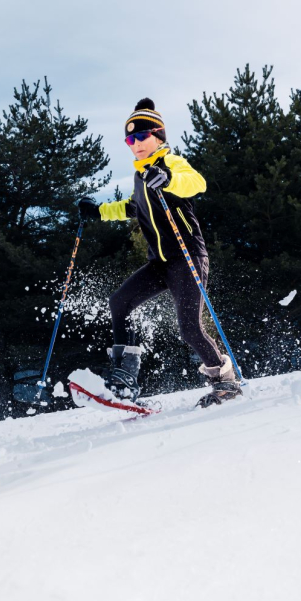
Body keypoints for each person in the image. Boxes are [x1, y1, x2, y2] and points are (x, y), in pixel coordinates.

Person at [77, 99, 241, 408]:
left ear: (158, 137)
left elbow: (197, 183)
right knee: (119, 301)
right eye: (129, 139)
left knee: (190, 328)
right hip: (161, 263)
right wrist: (97, 212)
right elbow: (129, 207)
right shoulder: (140, 178)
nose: (135, 144)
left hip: (188, 256)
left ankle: (225, 381)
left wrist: (169, 179)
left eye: (141, 136)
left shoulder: (170, 164)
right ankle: (125, 374)